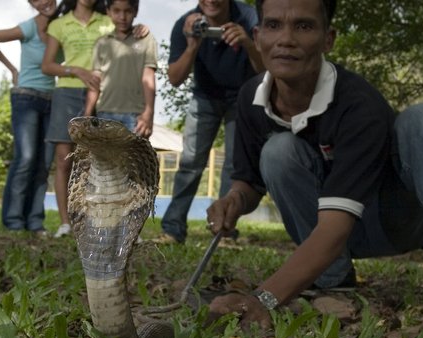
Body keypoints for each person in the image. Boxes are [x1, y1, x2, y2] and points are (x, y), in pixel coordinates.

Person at [205, 0, 423, 333]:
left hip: (390, 222)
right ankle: (332, 280)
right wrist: (234, 199)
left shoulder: (357, 102)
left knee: (421, 119)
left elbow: (334, 228)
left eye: (304, 26)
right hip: (329, 231)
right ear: (257, 35)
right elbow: (247, 181)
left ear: (328, 39)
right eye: (275, 25)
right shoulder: (251, 98)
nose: (286, 39)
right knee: (278, 150)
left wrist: (264, 298)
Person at [155, 0, 264, 244]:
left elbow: (265, 71)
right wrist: (193, 45)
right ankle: (173, 229)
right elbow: (174, 78)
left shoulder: (249, 18)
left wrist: (247, 42)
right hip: (204, 98)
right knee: (190, 163)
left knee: (234, 166)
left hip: (242, 99)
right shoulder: (185, 24)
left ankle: (224, 232)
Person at [41, 0, 147, 238]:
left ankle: (110, 222)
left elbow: (128, 31)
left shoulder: (107, 20)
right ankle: (66, 223)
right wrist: (76, 70)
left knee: (108, 162)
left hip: (106, 95)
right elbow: (47, 65)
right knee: (64, 160)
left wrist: (143, 28)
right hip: (68, 93)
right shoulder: (59, 24)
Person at [0, 0, 57, 236]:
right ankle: (14, 220)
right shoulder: (28, 28)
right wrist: (12, 69)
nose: (44, 2)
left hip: (52, 100)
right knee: (25, 158)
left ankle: (35, 221)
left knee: (44, 163)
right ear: (32, 4)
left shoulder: (62, 28)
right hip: (26, 97)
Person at [83, 0, 157, 139]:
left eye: (127, 11)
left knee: (132, 160)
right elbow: (95, 82)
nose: (122, 17)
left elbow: (148, 77)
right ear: (108, 11)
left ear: (135, 11)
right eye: (116, 11)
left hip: (135, 115)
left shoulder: (146, 40)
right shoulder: (102, 43)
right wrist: (87, 116)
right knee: (106, 160)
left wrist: (148, 113)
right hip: (105, 114)